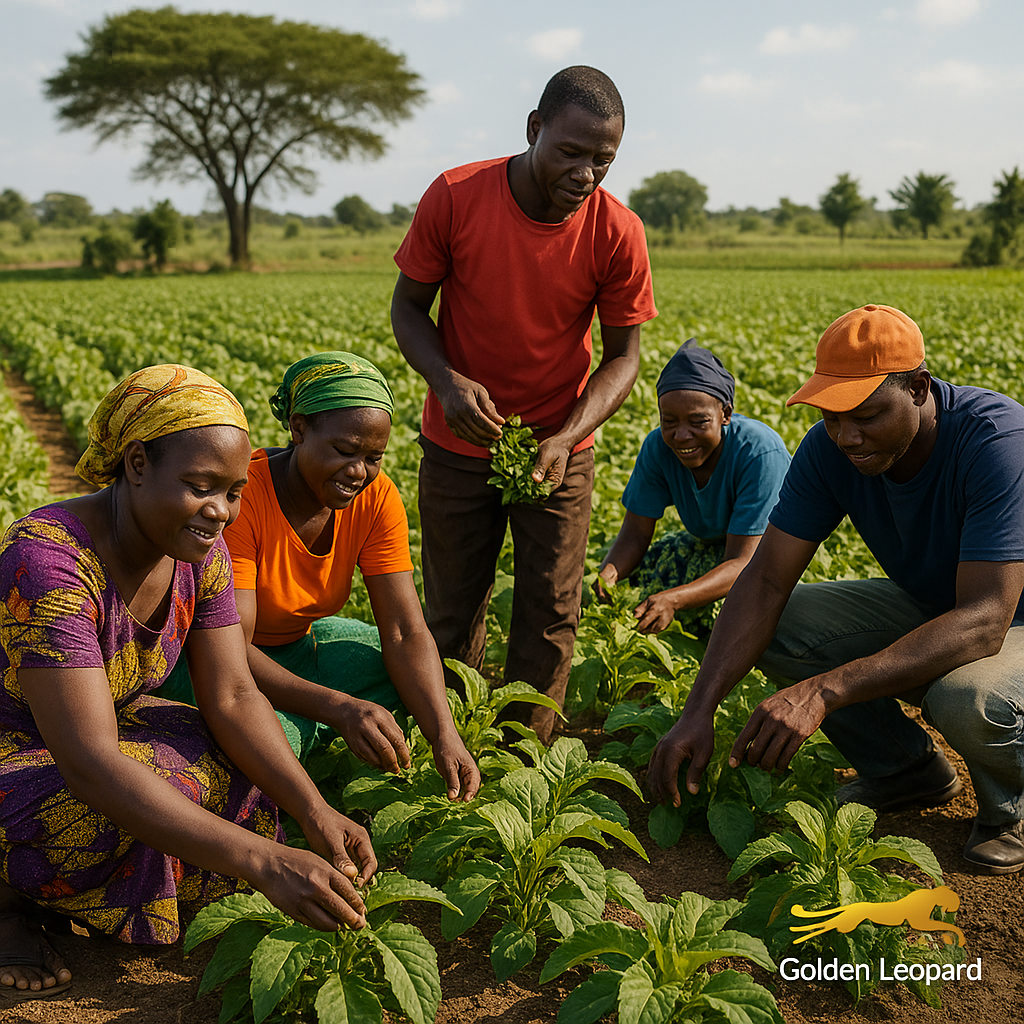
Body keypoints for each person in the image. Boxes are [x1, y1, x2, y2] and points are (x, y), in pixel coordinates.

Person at [0, 365, 376, 1000]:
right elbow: (90, 761)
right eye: (201, 486)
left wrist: (313, 809)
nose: (222, 511)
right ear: (138, 463)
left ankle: (99, 895)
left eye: (233, 492)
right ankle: (8, 901)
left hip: (101, 736)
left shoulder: (199, 549)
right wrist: (264, 860)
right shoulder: (49, 559)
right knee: (147, 787)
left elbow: (232, 694)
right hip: (24, 754)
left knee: (239, 761)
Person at [648, 304, 1024, 874]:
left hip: (1007, 613)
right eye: (831, 417)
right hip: (941, 601)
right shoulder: (830, 450)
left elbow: (986, 617)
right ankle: (905, 770)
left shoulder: (995, 441)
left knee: (966, 696)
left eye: (867, 416)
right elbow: (766, 578)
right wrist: (698, 709)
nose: (847, 437)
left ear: (919, 388)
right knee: (782, 627)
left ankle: (1011, 810)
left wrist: (826, 690)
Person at [390, 65, 658, 742]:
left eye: (603, 160)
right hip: (456, 443)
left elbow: (623, 356)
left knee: (549, 612)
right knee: (452, 609)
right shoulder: (456, 196)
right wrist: (446, 381)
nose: (586, 173)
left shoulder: (617, 231)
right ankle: (447, 744)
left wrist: (567, 437)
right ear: (534, 129)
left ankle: (521, 760)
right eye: (571, 152)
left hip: (558, 448)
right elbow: (408, 309)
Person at [160, 352, 480, 800]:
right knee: (266, 758)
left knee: (412, 684)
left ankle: (310, 728)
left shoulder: (376, 498)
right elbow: (232, 652)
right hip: (216, 667)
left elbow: (406, 631)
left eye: (374, 457)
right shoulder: (243, 498)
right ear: (299, 428)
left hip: (301, 650)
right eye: (344, 451)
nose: (358, 472)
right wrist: (339, 708)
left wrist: (445, 734)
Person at [596, 340, 790, 634]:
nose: (681, 435)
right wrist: (609, 573)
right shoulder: (657, 448)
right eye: (669, 421)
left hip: (765, 559)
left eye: (698, 421)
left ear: (725, 414)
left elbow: (744, 563)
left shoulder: (759, 453)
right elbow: (635, 533)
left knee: (732, 620)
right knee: (639, 583)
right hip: (713, 545)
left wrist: (675, 599)